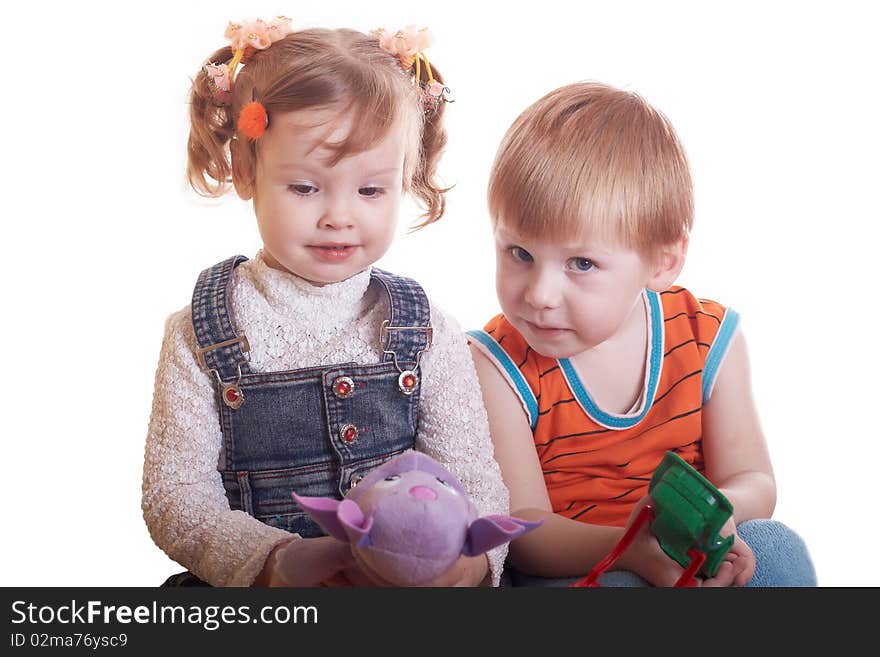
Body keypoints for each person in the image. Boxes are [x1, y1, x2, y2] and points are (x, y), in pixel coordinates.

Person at [142, 18, 508, 587]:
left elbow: (473, 479)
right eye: (305, 187)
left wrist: (469, 563)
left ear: (405, 179)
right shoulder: (199, 333)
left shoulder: (427, 332)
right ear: (246, 172)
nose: (339, 216)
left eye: (370, 190)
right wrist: (275, 561)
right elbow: (177, 497)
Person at [467, 82, 816, 587]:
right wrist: (629, 549)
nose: (540, 293)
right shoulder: (495, 363)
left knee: (777, 550)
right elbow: (525, 535)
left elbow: (753, 480)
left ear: (663, 262)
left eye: (581, 263)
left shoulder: (706, 336)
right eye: (519, 253)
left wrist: (717, 521)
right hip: (582, 563)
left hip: (690, 546)